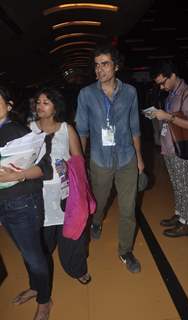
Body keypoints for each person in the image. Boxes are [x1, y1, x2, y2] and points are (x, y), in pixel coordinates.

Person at [75, 45, 144, 273]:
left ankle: (125, 251)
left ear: (116, 66)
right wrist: (78, 164)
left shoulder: (130, 92)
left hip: (126, 158)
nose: (99, 69)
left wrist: (140, 158)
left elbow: (135, 127)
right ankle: (96, 221)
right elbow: (82, 131)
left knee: (128, 209)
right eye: (96, 65)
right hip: (100, 160)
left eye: (104, 64)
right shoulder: (86, 94)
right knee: (99, 201)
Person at [29, 87, 91, 285]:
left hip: (65, 193)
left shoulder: (66, 129)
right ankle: (40, 275)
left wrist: (68, 165)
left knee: (72, 235)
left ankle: (77, 267)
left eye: (46, 102)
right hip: (39, 194)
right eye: (38, 102)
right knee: (42, 240)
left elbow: (79, 160)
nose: (40, 106)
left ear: (55, 107)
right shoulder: (29, 129)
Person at [0, 86, 52, 320]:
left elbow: (45, 168)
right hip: (5, 205)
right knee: (26, 251)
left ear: (9, 105)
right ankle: (36, 287)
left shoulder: (18, 132)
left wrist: (16, 175)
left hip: (22, 204)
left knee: (34, 256)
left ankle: (44, 300)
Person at [151, 61, 188, 237]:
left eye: (163, 82)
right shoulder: (172, 94)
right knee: (176, 184)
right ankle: (179, 215)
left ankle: (186, 224)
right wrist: (161, 116)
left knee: (184, 186)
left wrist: (168, 117)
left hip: (181, 149)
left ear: (172, 75)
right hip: (169, 148)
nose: (162, 87)